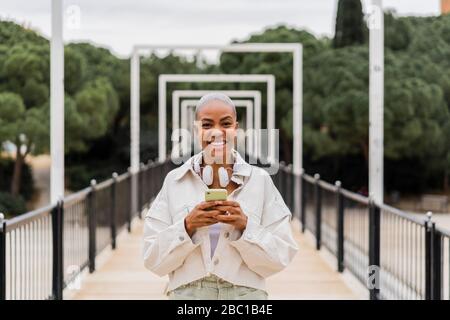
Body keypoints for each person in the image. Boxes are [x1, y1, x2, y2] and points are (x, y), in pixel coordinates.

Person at [142, 92, 298, 300]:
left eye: (225, 124)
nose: (216, 132)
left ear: (236, 129)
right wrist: (187, 227)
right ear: (197, 130)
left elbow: (281, 256)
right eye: (207, 125)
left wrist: (246, 227)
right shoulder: (174, 182)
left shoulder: (260, 181)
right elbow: (151, 258)